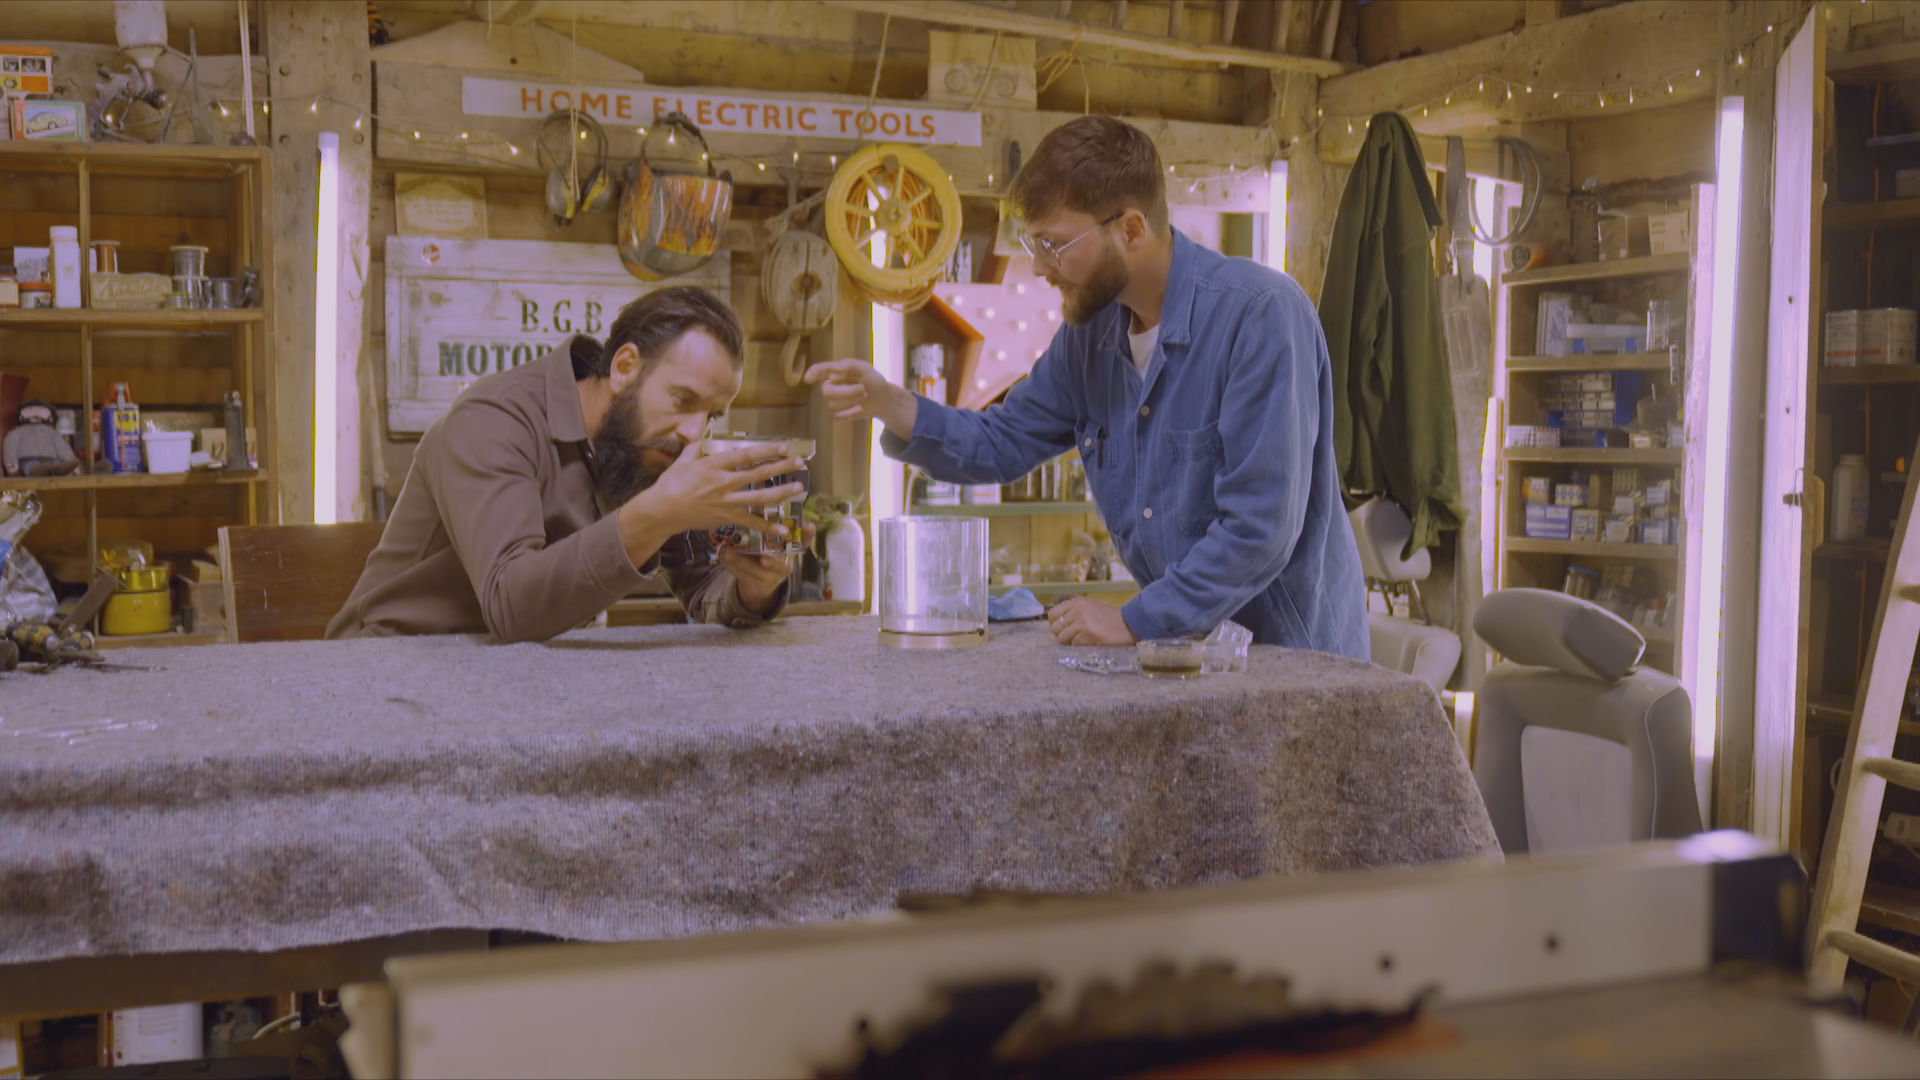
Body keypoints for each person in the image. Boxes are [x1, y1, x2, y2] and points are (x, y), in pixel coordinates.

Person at [808, 117, 1368, 659]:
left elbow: (1260, 529)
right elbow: (1003, 440)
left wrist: (1133, 619)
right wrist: (891, 403)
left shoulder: (1261, 316)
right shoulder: (1090, 336)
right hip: (1186, 662)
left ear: (1130, 229)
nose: (1040, 269)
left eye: (1054, 245)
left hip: (1296, 666)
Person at [328, 287, 805, 643]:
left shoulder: (646, 448)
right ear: (624, 368)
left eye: (712, 416)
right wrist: (660, 513)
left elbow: (705, 590)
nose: (694, 434)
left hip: (512, 676)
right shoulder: (493, 419)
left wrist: (755, 587)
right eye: (683, 399)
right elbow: (510, 604)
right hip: (386, 669)